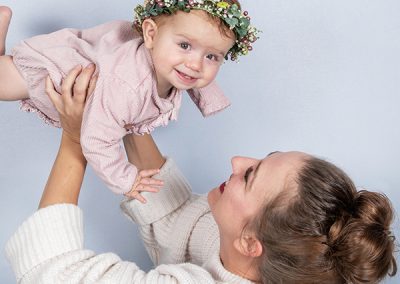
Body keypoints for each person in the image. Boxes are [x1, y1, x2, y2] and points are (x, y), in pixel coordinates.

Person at [5, 66, 397, 283]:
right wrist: (126, 114)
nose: (236, 161)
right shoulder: (260, 261)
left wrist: (77, 139)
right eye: (261, 157)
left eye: (250, 176)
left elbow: (51, 272)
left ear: (250, 242)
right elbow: (177, 222)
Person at [0, 0, 259, 199]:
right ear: (150, 34)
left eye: (213, 57)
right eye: (184, 46)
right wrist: (126, 180)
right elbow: (96, 139)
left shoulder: (176, 62)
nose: (195, 64)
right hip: (59, 71)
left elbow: (199, 70)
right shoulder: (127, 87)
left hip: (103, 58)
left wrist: (211, 100)